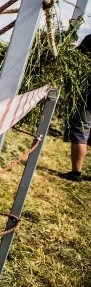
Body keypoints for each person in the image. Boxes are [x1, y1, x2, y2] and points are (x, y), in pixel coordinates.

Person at [62, 33, 91, 182]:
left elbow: (76, 59)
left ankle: (76, 173)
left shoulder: (90, 39)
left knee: (80, 134)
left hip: (85, 95)